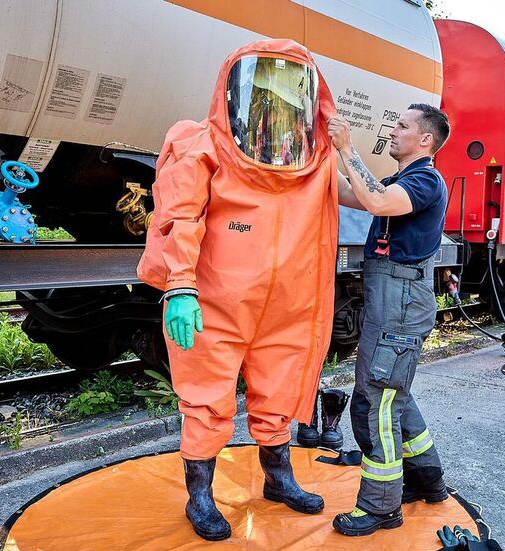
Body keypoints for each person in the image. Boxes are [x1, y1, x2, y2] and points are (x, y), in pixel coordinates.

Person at [136, 40, 339, 541]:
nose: (274, 115)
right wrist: (180, 288)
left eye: (287, 105)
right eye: (264, 100)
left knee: (277, 394)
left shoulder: (316, 164)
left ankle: (278, 479)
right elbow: (181, 220)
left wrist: (347, 145)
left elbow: (369, 201)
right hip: (215, 302)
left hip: (285, 307)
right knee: (207, 400)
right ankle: (200, 497)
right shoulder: (200, 146)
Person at [327, 104, 450, 536]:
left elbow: (374, 199)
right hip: (393, 296)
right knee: (394, 392)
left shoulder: (425, 180)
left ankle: (381, 506)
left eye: (402, 125)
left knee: (374, 399)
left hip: (399, 299)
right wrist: (319, 154)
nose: (393, 130)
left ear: (425, 140)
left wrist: (347, 147)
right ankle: (426, 480)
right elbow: (352, 194)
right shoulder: (403, 180)